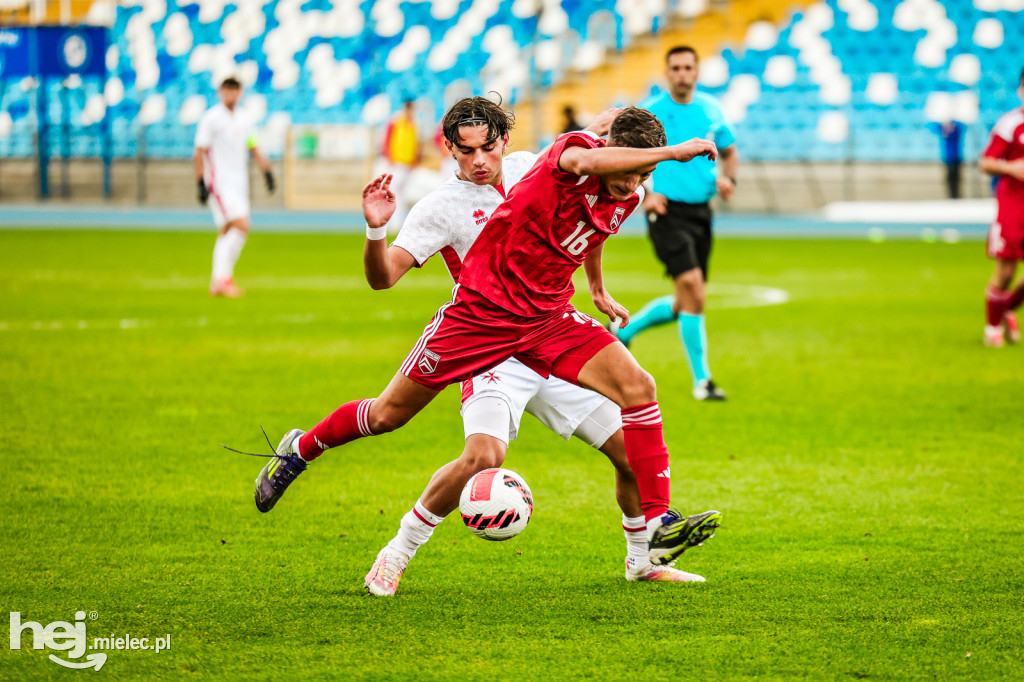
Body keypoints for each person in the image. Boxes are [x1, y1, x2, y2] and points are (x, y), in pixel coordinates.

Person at [251, 105, 722, 576]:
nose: (479, 159)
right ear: (450, 149)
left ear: (505, 142)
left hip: (549, 322)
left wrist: (595, 286)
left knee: (634, 419)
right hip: (483, 331)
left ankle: (646, 554)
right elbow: (383, 279)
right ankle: (319, 469)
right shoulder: (441, 205)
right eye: (466, 150)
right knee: (412, 426)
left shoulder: (536, 167)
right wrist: (377, 229)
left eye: (488, 147)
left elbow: (594, 210)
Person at [609, 46, 738, 401]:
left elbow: (728, 149)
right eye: (676, 68)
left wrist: (729, 179)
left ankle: (625, 331)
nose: (682, 73)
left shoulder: (712, 109)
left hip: (701, 212)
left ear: (697, 72)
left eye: (688, 67)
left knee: (687, 302)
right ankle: (703, 382)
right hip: (664, 211)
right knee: (694, 289)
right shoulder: (653, 113)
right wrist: (646, 190)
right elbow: (630, 155)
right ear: (667, 73)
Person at [194, 77, 275, 298]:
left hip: (239, 183)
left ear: (240, 92)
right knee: (241, 225)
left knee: (228, 231)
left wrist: (266, 171)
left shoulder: (244, 119)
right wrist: (201, 182)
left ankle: (218, 281)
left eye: (235, 89)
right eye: (227, 89)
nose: (231, 94)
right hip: (220, 183)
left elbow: (253, 145)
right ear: (221, 91)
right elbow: (200, 150)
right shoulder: (211, 119)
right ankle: (222, 279)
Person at [979, 68, 1024, 347]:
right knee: (1006, 270)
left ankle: (1006, 308)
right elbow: (986, 162)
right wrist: (1011, 167)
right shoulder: (1011, 124)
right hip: (1014, 206)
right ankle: (992, 326)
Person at [380, 99, 421, 232]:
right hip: (397, 162)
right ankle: (393, 221)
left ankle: (399, 221)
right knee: (394, 192)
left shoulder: (413, 124)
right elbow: (387, 139)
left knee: (401, 193)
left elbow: (416, 143)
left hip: (407, 164)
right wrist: (388, 156)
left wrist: (415, 159)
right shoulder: (396, 122)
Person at [928, 119, 966, 199]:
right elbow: (932, 126)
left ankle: (957, 194)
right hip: (947, 158)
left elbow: (962, 127)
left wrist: (953, 126)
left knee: (957, 177)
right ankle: (951, 195)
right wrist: (944, 126)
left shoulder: (956, 130)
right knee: (949, 177)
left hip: (956, 157)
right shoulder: (943, 130)